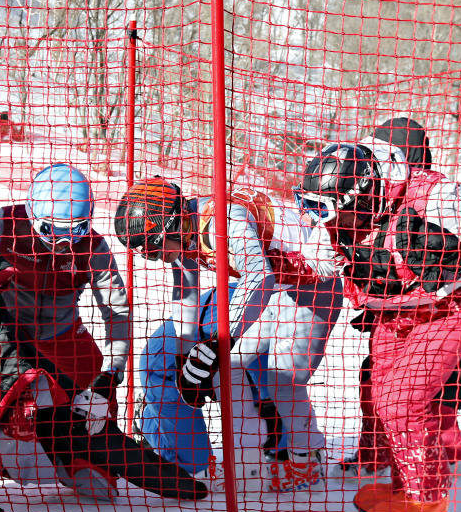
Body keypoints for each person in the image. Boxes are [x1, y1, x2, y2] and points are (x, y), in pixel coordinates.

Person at [0, 164, 205, 502]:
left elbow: (116, 309)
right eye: (53, 231)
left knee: (90, 409)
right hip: (8, 335)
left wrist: (113, 373)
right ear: (33, 215)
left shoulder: (92, 247)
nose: (63, 243)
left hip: (65, 341)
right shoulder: (3, 224)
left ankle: (81, 462)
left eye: (74, 231)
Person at [294, 139, 461, 512]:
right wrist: (283, 260)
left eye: (333, 210)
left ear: (360, 195)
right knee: (381, 399)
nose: (325, 221)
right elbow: (313, 262)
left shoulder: (430, 195)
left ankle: (425, 501)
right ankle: (402, 489)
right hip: (392, 309)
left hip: (448, 305)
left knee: (404, 401)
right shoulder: (334, 220)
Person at [114, 178, 343, 493]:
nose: (153, 258)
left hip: (309, 287)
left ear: (171, 226)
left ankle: (305, 457)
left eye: (153, 251)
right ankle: (229, 453)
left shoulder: (224, 221)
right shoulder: (185, 231)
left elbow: (260, 276)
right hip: (269, 289)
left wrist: (216, 342)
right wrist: (187, 360)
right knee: (223, 363)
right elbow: (187, 295)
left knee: (284, 378)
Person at [338, 118, 461, 482]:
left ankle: (444, 457)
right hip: (395, 318)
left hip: (445, 316)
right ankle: (375, 455)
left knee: (424, 394)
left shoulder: (433, 198)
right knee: (374, 381)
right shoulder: (375, 199)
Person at [133, 283, 288, 480]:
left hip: (226, 367)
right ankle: (147, 420)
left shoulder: (303, 302)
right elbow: (254, 357)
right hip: (167, 369)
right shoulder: (244, 301)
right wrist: (268, 400)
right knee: (194, 465)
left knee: (280, 431)